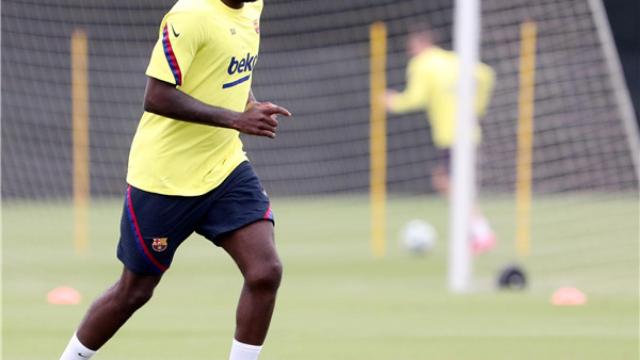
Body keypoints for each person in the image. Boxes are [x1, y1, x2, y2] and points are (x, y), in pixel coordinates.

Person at [59, 0, 291, 359]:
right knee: (135, 291)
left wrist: (248, 106)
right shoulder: (190, 15)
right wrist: (234, 119)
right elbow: (156, 96)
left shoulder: (252, 8)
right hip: (164, 179)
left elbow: (228, 72)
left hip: (224, 167)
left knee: (265, 271)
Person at [384, 24, 496, 253]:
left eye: (411, 48)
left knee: (447, 182)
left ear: (420, 45)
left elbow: (415, 98)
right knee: (450, 183)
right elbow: (486, 75)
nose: (411, 54)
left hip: (451, 136)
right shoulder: (454, 60)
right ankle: (476, 232)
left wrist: (392, 102)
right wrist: (478, 107)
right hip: (469, 133)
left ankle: (481, 232)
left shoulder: (422, 64)